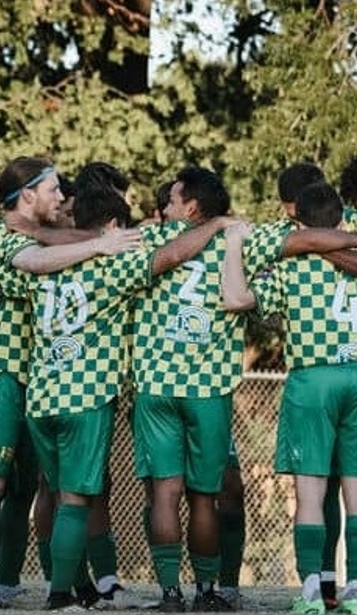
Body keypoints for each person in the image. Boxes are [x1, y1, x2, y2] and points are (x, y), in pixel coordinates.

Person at [14, 168, 234, 611]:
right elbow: (167, 258)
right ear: (113, 227)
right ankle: (62, 596)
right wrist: (215, 224)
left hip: (40, 396)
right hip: (87, 394)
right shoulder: (113, 266)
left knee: (53, 494)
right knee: (77, 501)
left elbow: (16, 268)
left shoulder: (37, 264)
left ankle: (82, 587)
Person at [0, 157, 141, 609]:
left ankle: (64, 585)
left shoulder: (0, 233)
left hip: (20, 378)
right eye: (52, 189)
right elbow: (33, 261)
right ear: (27, 194)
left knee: (11, 485)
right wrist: (102, 246)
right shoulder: (1, 231)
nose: (60, 196)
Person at [222, 182, 357, 615]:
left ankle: (313, 590)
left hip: (312, 379)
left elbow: (239, 299)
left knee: (311, 495)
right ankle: (355, 588)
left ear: (298, 223)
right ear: (340, 220)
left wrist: (238, 252)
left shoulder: (291, 265)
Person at [128, 167, 243, 612]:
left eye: (173, 200)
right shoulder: (238, 240)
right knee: (203, 497)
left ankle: (170, 593)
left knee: (164, 492)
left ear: (191, 207)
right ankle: (207, 592)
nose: (164, 209)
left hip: (156, 382)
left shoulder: (153, 239)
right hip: (209, 387)